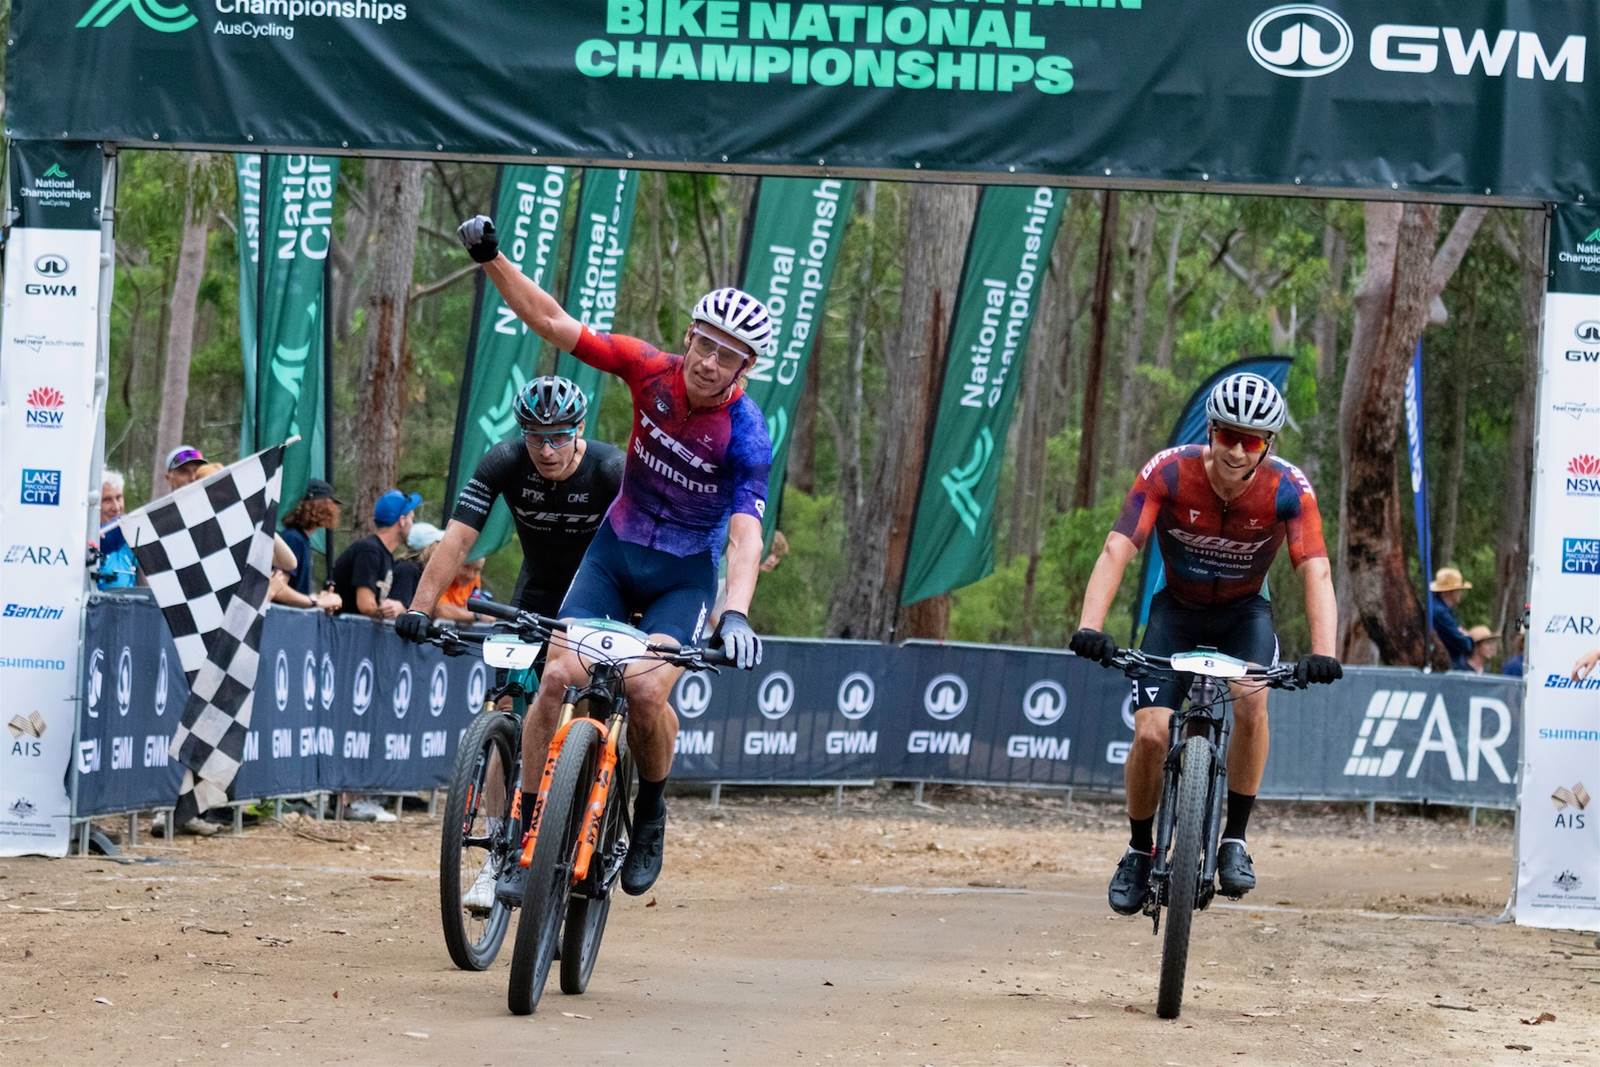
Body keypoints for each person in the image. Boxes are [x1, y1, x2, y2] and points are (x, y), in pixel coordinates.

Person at [451, 214, 771, 904]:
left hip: (682, 575)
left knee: (645, 690)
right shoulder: (649, 370)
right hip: (614, 553)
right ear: (689, 336)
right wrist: (492, 259)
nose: (710, 361)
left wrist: (736, 613)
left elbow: (745, 532)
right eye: (705, 343)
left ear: (747, 367)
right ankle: (524, 830)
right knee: (556, 678)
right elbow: (554, 321)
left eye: (729, 355)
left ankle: (650, 811)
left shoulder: (746, 435)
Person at [1069, 372, 1342, 914]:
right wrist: (1091, 626)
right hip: (1178, 611)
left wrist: (1325, 650)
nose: (1238, 451)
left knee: (1255, 701)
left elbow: (1316, 570)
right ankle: (1138, 850)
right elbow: (1117, 548)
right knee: (1149, 734)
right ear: (1211, 430)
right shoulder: (1168, 471)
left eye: (1254, 440)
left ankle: (1234, 839)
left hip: (1244, 614)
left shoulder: (1289, 488)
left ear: (1269, 445)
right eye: (1228, 436)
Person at [397, 376, 626, 907]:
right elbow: (456, 539)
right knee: (509, 706)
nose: (546, 449)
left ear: (580, 430)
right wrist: (418, 607)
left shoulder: (611, 470)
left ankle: (586, 824)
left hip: (602, 595)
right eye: (535, 437)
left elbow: (643, 543)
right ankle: (502, 846)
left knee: (592, 705)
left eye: (559, 437)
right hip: (538, 592)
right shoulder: (504, 461)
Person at [331, 489, 418, 621]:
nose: (413, 525)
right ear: (402, 521)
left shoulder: (382, 553)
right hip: (342, 635)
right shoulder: (369, 551)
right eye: (412, 518)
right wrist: (390, 611)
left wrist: (399, 608)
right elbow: (366, 605)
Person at [280, 478, 343, 600]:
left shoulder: (303, 540)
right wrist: (315, 602)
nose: (334, 509)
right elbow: (278, 589)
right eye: (330, 503)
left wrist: (319, 598)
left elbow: (298, 589)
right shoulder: (293, 539)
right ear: (318, 506)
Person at [96, 470, 139, 590]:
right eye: (107, 500)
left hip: (129, 605)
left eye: (119, 498)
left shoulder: (132, 533)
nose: (116, 507)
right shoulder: (83, 536)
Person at [1429, 567, 1475, 671]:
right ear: (1448, 592)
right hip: (1447, 668)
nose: (1460, 593)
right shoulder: (1441, 613)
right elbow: (1464, 645)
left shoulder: (1439, 609)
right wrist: (1468, 638)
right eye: (1458, 590)